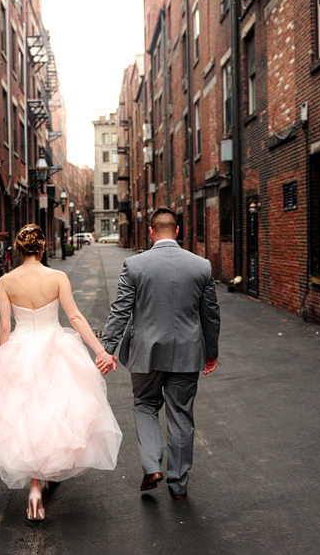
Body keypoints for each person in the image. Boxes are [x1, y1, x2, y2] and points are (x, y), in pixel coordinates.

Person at [0, 224, 122, 521]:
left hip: (20, 348)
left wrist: (4, 359)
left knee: (24, 416)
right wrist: (100, 351)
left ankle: (35, 486)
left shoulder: (5, 281)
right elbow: (75, 316)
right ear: (41, 249)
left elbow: (3, 327)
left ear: (18, 250)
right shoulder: (57, 277)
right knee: (52, 413)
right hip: (56, 347)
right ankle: (45, 475)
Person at [99, 207, 220, 500]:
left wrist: (107, 350)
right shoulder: (201, 266)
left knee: (144, 405)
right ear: (177, 231)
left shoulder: (135, 265)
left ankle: (152, 466)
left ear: (151, 231)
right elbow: (211, 315)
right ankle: (178, 486)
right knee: (181, 415)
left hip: (146, 355)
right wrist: (211, 352)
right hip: (187, 353)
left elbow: (120, 311)